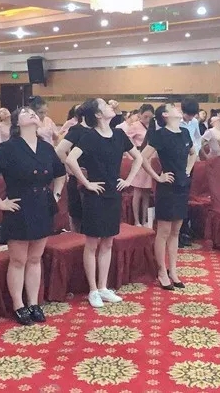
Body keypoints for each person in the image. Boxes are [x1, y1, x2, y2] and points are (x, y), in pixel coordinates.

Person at [0, 105, 66, 325]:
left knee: (35, 258)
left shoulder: (46, 147)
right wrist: (0, 203)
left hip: (42, 206)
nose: (32, 114)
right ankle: (18, 304)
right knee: (18, 260)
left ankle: (33, 302)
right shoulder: (9, 147)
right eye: (25, 112)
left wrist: (56, 194)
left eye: (33, 112)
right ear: (17, 123)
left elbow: (60, 173)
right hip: (19, 208)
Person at [65, 98, 143, 308]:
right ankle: (93, 290)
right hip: (95, 195)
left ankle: (103, 287)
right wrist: (86, 183)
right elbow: (70, 159)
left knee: (108, 242)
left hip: (113, 194)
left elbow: (138, 158)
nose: (111, 106)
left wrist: (128, 180)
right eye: (105, 105)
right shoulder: (89, 136)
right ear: (98, 114)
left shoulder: (119, 134)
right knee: (92, 244)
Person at [139, 104, 196, 290]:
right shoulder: (160, 135)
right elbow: (142, 157)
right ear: (165, 114)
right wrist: (157, 177)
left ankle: (173, 269)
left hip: (182, 185)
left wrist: (188, 169)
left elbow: (193, 153)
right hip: (167, 187)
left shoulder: (185, 132)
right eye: (173, 107)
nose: (177, 108)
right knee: (163, 231)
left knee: (176, 231)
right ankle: (162, 270)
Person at [55, 106, 89, 233]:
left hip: (94, 175)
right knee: (77, 213)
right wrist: (70, 169)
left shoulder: (98, 130)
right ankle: (77, 237)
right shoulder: (76, 129)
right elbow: (59, 150)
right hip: (79, 175)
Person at [178, 98, 202, 247]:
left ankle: (185, 230)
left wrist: (196, 152)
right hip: (177, 161)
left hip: (190, 161)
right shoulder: (177, 122)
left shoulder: (194, 122)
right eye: (188, 114)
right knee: (178, 197)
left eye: (193, 115)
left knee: (186, 195)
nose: (190, 118)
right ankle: (179, 232)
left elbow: (197, 138)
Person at [126, 104, 155, 227]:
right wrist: (132, 155)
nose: (147, 119)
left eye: (150, 117)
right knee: (137, 191)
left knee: (147, 192)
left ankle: (145, 220)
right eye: (145, 116)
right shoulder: (135, 126)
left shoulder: (154, 126)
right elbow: (126, 141)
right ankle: (137, 221)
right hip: (139, 157)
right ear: (140, 115)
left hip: (150, 159)